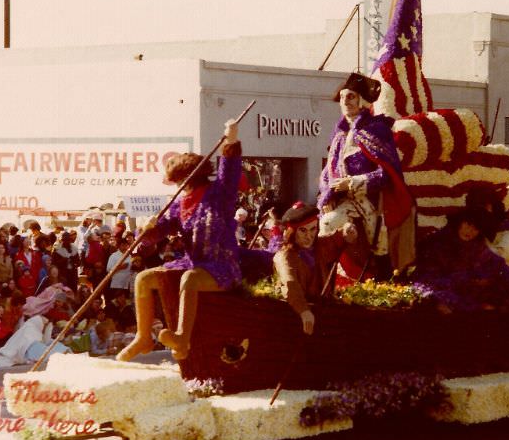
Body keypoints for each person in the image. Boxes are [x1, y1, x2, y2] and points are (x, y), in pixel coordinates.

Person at [118, 118, 243, 362]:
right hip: (192, 263)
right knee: (143, 279)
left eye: (178, 181)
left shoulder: (219, 193)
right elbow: (155, 236)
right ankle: (143, 337)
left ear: (188, 178)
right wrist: (147, 229)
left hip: (222, 266)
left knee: (190, 279)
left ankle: (182, 338)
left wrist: (231, 140)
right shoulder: (178, 204)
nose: (176, 186)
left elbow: (230, 169)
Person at [317, 72, 415, 281]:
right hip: (341, 201)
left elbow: (387, 174)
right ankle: (324, 280)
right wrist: (326, 194)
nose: (345, 102)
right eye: (343, 97)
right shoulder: (339, 133)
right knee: (326, 224)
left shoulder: (377, 130)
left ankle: (384, 281)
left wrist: (352, 183)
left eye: (351, 96)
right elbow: (328, 171)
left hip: (371, 200)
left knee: (379, 241)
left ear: (362, 100)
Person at [413, 208, 509, 313]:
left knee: (508, 274)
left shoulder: (476, 246)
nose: (470, 231)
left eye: (476, 229)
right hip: (436, 288)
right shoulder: (438, 242)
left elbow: (496, 264)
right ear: (459, 223)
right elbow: (429, 278)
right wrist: (468, 279)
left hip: (466, 289)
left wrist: (487, 277)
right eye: (468, 225)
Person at [273, 203, 357, 335]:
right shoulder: (284, 256)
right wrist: (304, 311)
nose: (309, 236)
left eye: (313, 229)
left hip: (321, 313)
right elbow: (290, 284)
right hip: (296, 316)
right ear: (292, 232)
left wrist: (347, 229)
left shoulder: (319, 246)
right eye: (303, 230)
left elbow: (336, 238)